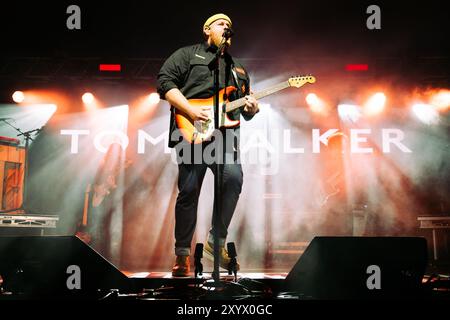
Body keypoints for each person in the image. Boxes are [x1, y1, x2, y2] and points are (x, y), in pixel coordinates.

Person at [157, 13, 259, 277]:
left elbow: (244, 110)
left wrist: (252, 108)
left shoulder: (238, 69)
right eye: (221, 23)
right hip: (192, 131)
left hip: (225, 137)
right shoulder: (187, 55)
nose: (227, 27)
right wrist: (190, 111)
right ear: (207, 29)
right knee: (189, 191)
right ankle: (182, 254)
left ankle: (217, 241)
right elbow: (164, 83)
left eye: (229, 25)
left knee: (233, 180)